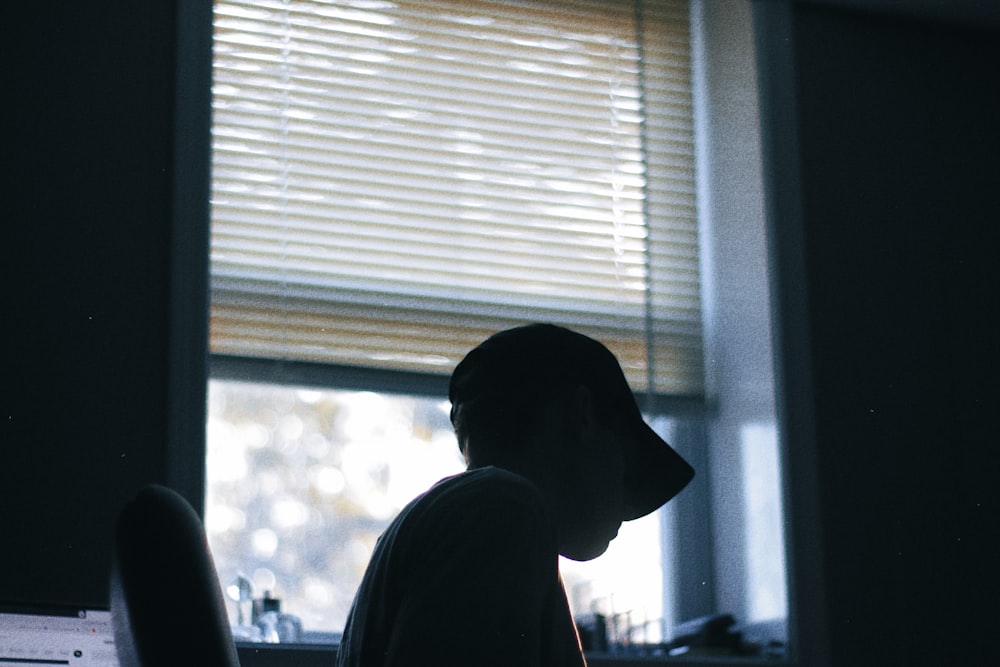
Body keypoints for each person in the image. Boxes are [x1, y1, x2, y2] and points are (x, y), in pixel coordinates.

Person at [336, 323, 694, 666]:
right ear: (580, 415)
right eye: (624, 454)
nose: (626, 488)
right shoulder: (501, 509)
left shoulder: (461, 519)